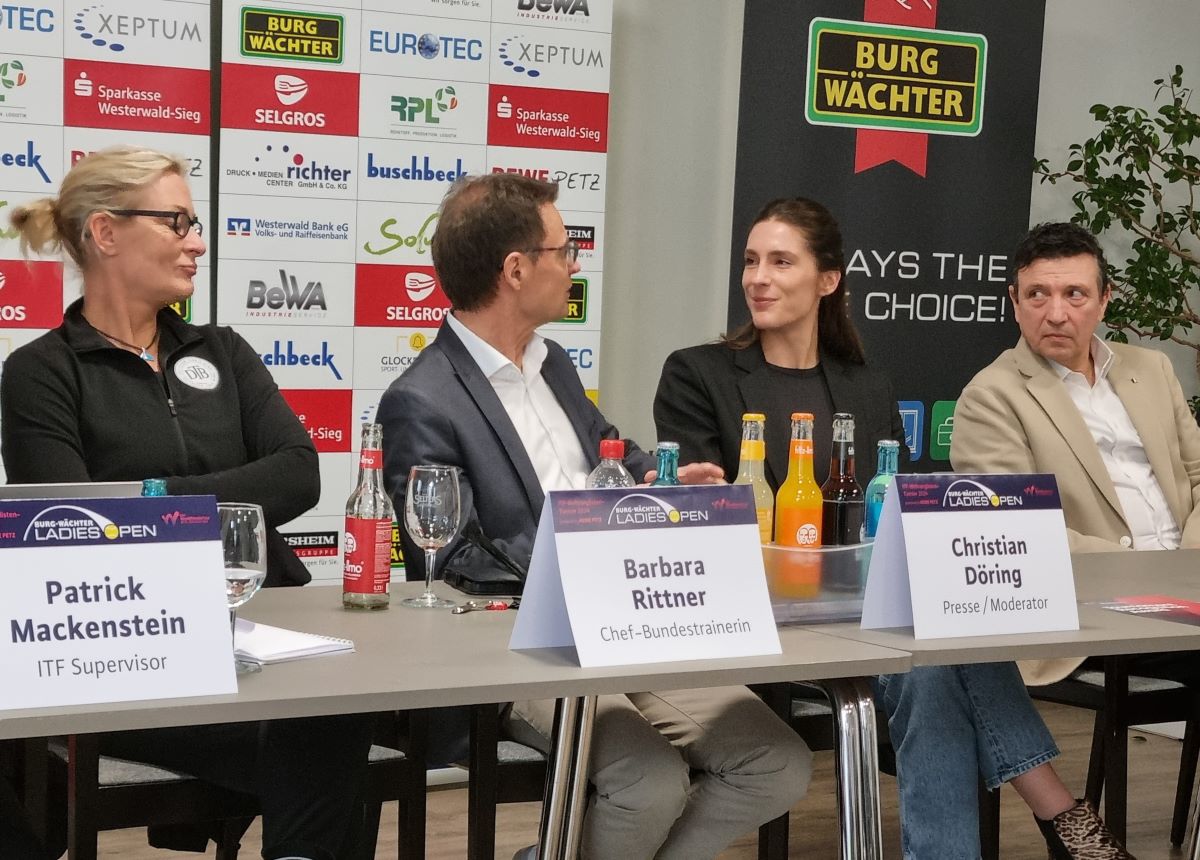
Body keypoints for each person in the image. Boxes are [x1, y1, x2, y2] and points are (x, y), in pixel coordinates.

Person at [653, 198, 1133, 860]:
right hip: (756, 607)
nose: (758, 278)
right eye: (751, 261)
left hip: (862, 607)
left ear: (828, 281)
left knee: (937, 660)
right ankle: (1068, 818)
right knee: (937, 657)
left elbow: (896, 521)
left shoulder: (865, 387)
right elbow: (696, 512)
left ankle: (1056, 827)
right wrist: (694, 493)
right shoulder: (697, 373)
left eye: (781, 261)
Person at [379, 172, 811, 860]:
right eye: (564, 250)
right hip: (523, 649)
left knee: (777, 764)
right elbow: (448, 557)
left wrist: (662, 479)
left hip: (629, 624)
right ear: (516, 270)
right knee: (647, 781)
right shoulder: (422, 399)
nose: (575, 264)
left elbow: (610, 450)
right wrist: (581, 564)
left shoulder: (552, 366)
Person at [0, 146, 372, 860]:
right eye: (176, 222)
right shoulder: (41, 372)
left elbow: (298, 474)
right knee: (314, 736)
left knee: (336, 707)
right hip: (135, 654)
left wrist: (153, 501)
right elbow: (74, 531)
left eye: (195, 223)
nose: (197, 241)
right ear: (105, 233)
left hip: (263, 636)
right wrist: (220, 505)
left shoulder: (222, 350)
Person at [952, 220, 1200, 690]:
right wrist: (1154, 578)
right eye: (1038, 295)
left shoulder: (1152, 368)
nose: (1056, 313)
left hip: (1187, 586)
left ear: (1105, 300)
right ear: (1015, 302)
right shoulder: (991, 397)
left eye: (1075, 294)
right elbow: (1016, 534)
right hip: (1094, 610)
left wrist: (1187, 566)